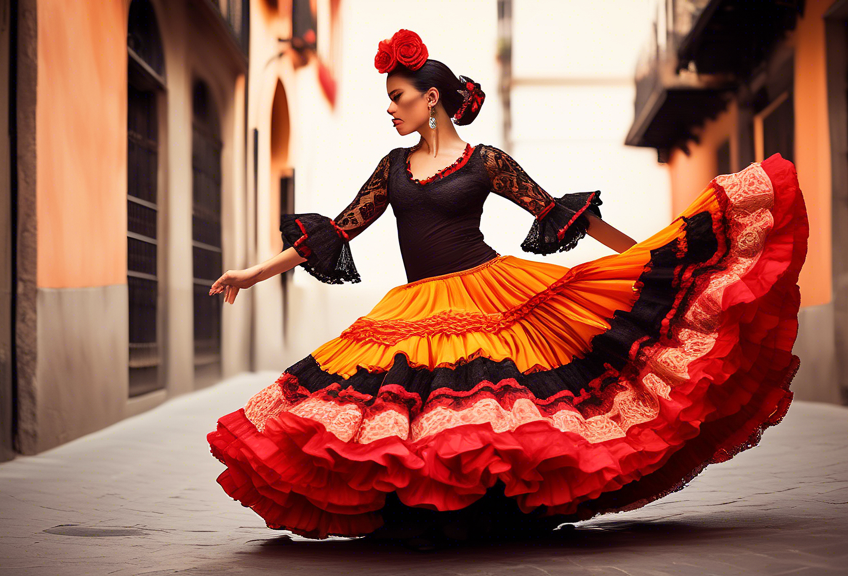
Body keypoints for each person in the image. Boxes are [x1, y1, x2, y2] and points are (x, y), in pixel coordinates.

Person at [206, 28, 809, 551]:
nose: (391, 110)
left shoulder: (485, 162)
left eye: (398, 98)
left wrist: (648, 259)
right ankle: (430, 514)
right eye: (389, 100)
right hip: (418, 304)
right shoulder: (391, 167)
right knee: (426, 414)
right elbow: (339, 230)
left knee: (491, 409)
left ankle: (488, 514)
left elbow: (555, 212)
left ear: (431, 98)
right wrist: (252, 273)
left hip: (492, 292)